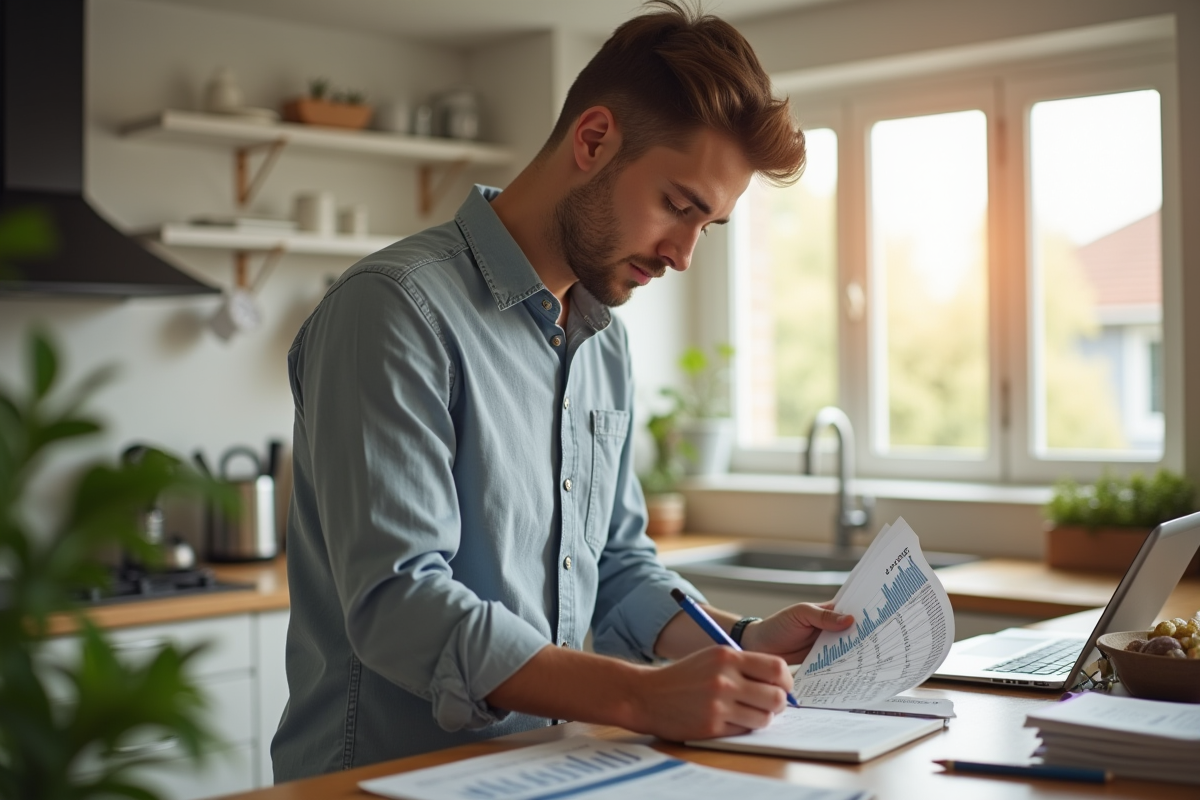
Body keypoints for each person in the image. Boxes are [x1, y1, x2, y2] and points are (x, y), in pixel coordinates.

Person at [272, 0, 854, 782]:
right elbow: (399, 603)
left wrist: (737, 639)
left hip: (545, 771)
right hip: (384, 783)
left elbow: (614, 566)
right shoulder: (394, 310)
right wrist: (643, 698)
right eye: (678, 207)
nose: (683, 254)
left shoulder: (601, 343)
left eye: (705, 225)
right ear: (593, 140)